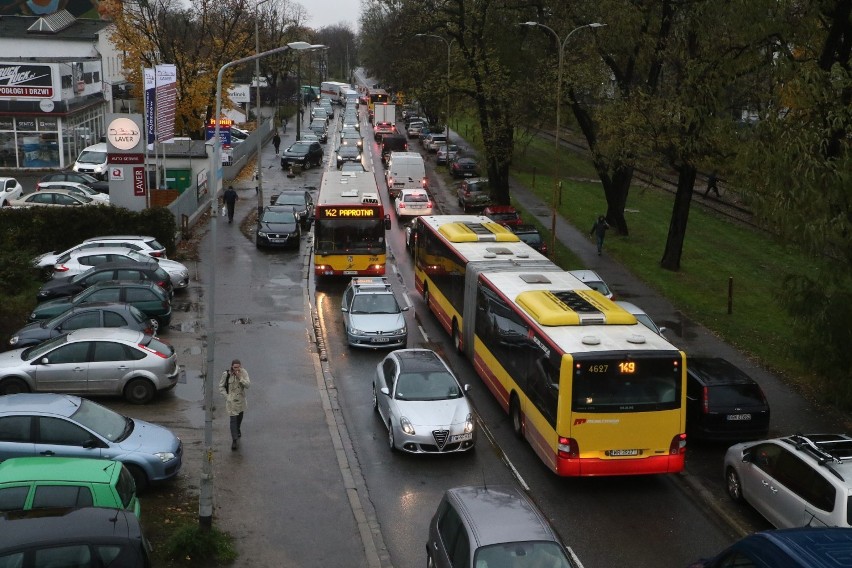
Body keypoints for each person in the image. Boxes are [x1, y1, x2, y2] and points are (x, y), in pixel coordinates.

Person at [219, 359, 250, 450]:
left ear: (241, 366)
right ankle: (234, 440)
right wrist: (227, 397)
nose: (236, 369)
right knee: (233, 420)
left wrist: (240, 377)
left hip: (240, 400)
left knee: (239, 417)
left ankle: (238, 429)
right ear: (232, 366)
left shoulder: (243, 373)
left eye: (238, 367)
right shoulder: (226, 374)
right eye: (235, 367)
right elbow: (221, 386)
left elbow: (248, 385)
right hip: (231, 401)